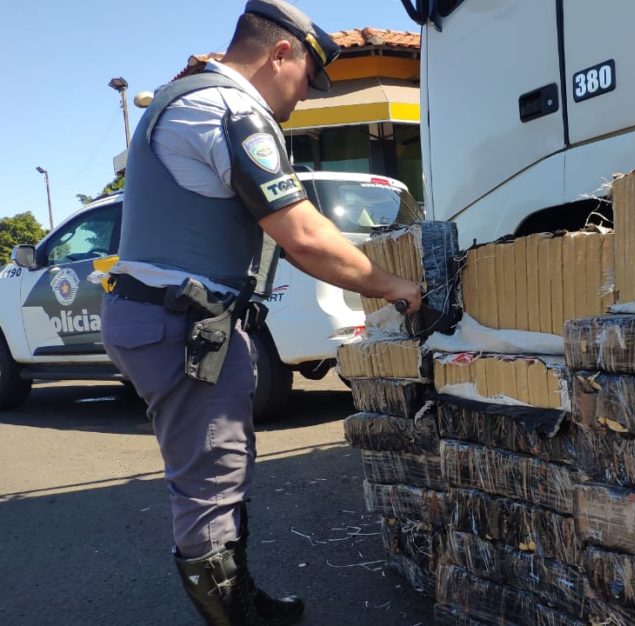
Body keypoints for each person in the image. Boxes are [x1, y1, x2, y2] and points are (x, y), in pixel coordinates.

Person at [101, 1, 422, 624]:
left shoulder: (186, 99)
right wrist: (395, 286)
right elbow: (301, 234)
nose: (303, 97)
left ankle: (243, 599)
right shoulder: (223, 108)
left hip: (179, 321)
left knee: (222, 468)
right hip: (181, 325)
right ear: (281, 53)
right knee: (210, 482)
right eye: (307, 79)